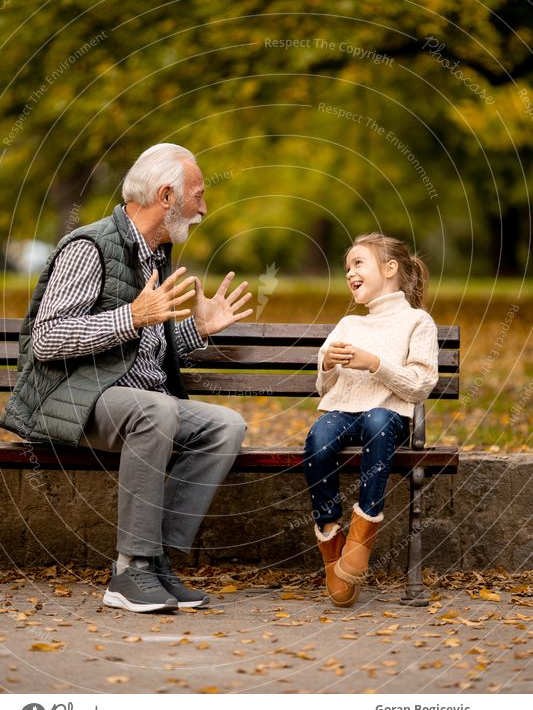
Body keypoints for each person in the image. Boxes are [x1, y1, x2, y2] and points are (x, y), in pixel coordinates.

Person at [1, 143, 253, 613]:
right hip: (70, 399)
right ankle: (130, 569)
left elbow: (145, 349)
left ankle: (155, 561)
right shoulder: (89, 247)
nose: (203, 207)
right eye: (197, 195)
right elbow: (48, 339)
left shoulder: (154, 256)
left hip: (130, 403)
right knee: (155, 409)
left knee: (225, 426)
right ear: (165, 196)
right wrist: (131, 317)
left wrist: (198, 329)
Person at [303, 233, 439, 607]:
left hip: (388, 413)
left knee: (379, 419)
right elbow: (323, 386)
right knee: (318, 439)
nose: (350, 273)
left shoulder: (417, 322)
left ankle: (363, 531)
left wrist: (375, 365)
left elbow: (420, 385)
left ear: (390, 269)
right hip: (343, 409)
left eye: (358, 263)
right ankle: (331, 536)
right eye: (347, 267)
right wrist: (327, 364)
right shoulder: (349, 323)